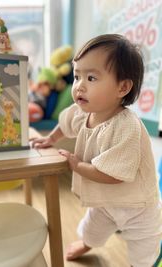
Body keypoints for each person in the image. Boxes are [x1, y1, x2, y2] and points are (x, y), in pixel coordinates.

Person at [32, 34, 162, 267]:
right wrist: (50, 139)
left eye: (91, 77)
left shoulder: (127, 127)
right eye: (77, 76)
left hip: (138, 207)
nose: (79, 85)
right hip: (105, 201)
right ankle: (87, 243)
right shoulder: (83, 112)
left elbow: (112, 175)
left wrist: (77, 165)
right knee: (92, 228)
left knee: (143, 250)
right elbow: (65, 123)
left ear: (122, 87)